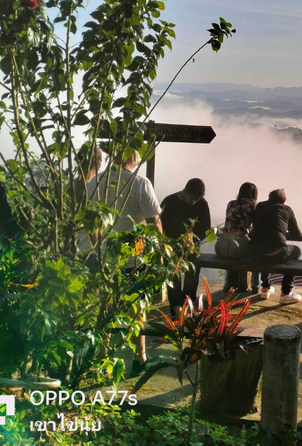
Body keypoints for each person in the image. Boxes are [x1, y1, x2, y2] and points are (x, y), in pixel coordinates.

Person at [86, 151, 163, 375]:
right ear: (131, 155)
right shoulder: (140, 183)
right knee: (137, 307)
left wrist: (98, 252)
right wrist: (159, 255)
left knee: (104, 308)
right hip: (133, 259)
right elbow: (154, 223)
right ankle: (139, 358)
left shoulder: (95, 183)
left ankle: (102, 358)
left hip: (103, 259)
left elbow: (93, 225)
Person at [160, 178, 211, 316]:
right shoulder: (169, 202)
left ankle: (188, 302)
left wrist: (192, 241)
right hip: (171, 245)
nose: (193, 202)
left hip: (192, 246)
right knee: (173, 274)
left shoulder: (202, 204)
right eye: (191, 198)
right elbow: (160, 225)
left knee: (193, 270)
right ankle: (176, 306)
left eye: (196, 199)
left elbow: (205, 227)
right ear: (185, 191)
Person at [250, 188, 302, 303]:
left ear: (269, 198)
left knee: (265, 249)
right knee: (296, 251)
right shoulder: (286, 209)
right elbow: (296, 233)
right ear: (283, 201)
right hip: (276, 252)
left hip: (256, 252)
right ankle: (286, 292)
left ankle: (265, 287)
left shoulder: (260, 206)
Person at [216, 182, 258, 292]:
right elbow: (256, 224)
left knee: (232, 254)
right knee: (257, 253)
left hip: (221, 246)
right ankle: (255, 286)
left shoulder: (231, 203)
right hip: (238, 246)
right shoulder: (252, 204)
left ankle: (228, 284)